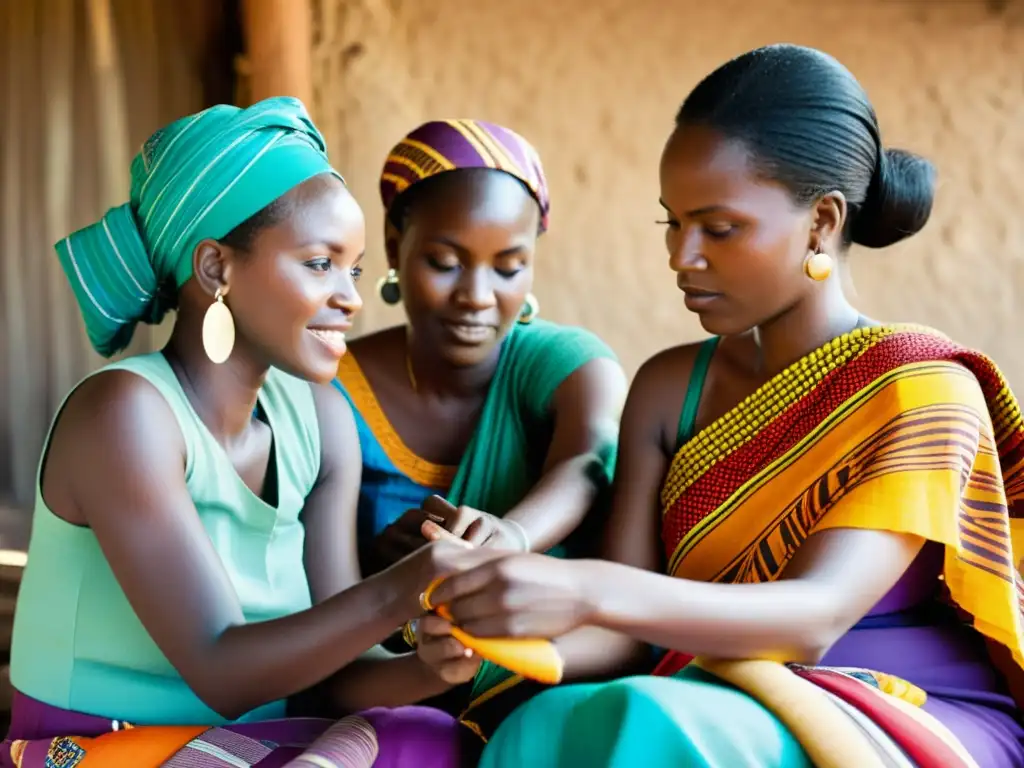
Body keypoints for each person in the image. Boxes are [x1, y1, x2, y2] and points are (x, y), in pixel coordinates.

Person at [414, 45, 1024, 767]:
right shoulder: (669, 387)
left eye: (719, 228)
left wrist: (583, 588)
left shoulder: (917, 383)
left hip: (900, 711)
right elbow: (624, 639)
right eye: (671, 223)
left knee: (656, 723)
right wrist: (485, 633)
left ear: (822, 222)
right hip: (704, 687)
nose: (683, 254)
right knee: (538, 727)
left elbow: (814, 618)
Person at [3, 97, 503, 768]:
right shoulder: (124, 416)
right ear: (216, 269)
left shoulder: (320, 420)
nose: (351, 297)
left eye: (353, 269)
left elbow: (336, 677)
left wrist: (437, 666)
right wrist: (405, 587)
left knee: (424, 735)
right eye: (320, 263)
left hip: (258, 746)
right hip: (101, 748)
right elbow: (222, 670)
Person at [331, 119, 628, 732]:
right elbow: (310, 585)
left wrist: (511, 537)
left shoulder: (564, 364)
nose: (477, 294)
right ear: (393, 246)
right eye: (445, 262)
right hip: (380, 694)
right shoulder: (329, 389)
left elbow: (590, 459)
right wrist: (382, 569)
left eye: (509, 267)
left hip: (547, 693)